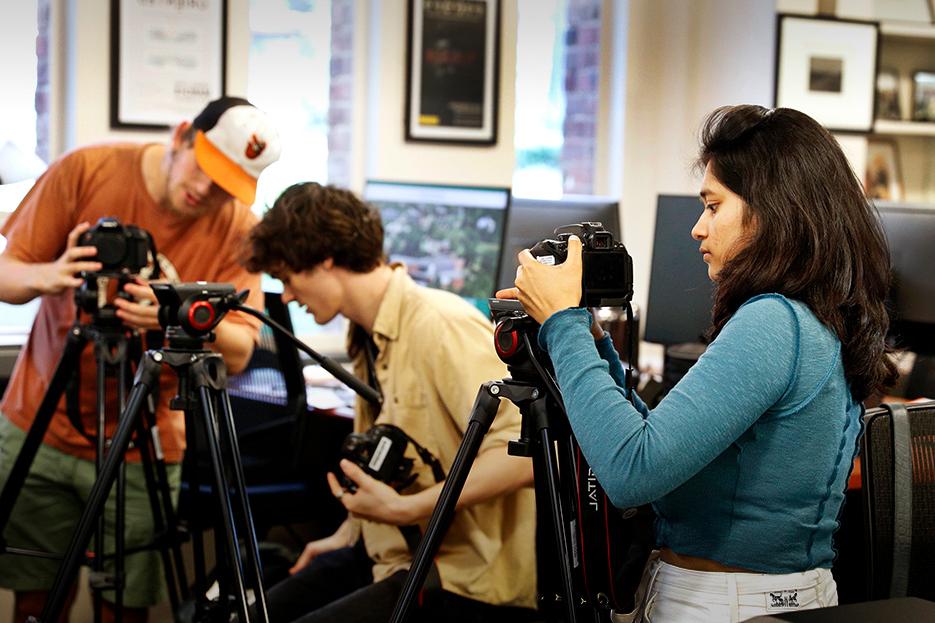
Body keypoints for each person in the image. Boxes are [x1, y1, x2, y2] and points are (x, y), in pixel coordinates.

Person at [501, 105, 897, 622]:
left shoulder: (774, 322)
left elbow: (630, 470)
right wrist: (592, 341)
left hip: (727, 603)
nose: (697, 228)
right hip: (763, 597)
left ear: (773, 210)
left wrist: (564, 325)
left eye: (713, 206)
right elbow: (656, 444)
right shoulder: (812, 319)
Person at [0, 96, 281, 622]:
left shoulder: (236, 225)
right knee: (35, 599)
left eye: (226, 185)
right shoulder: (86, 170)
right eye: (205, 168)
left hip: (144, 441)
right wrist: (53, 273)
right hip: (39, 418)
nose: (206, 191)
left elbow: (242, 352)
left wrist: (173, 312)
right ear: (181, 136)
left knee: (127, 606)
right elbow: (6, 274)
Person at [243, 182, 537, 623]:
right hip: (397, 554)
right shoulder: (364, 334)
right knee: (257, 612)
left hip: (465, 578)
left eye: (288, 278)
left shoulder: (440, 324)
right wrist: (348, 533)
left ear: (324, 257)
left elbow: (523, 457)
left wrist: (407, 509)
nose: (285, 295)